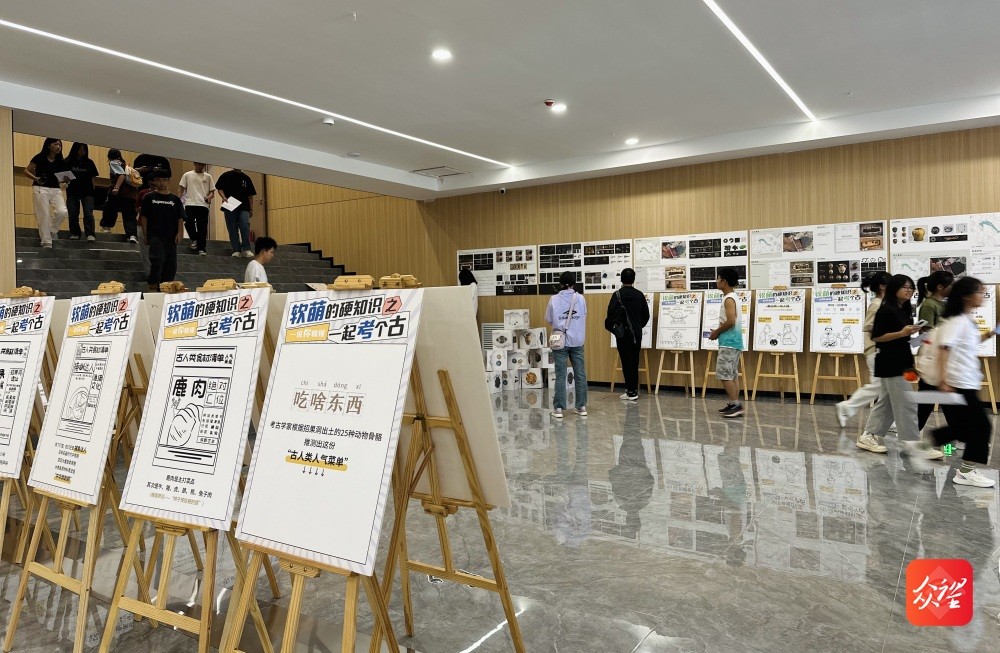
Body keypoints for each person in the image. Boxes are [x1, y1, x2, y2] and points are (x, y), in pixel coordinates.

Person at [929, 276, 996, 487]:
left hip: (967, 381)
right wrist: (943, 381)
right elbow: (943, 349)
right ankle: (966, 472)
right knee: (981, 427)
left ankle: (926, 444)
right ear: (966, 296)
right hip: (957, 383)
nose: (983, 295)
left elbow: (970, 343)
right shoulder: (956, 321)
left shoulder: (966, 320)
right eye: (980, 292)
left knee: (963, 428)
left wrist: (993, 333)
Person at [858, 275, 922, 453]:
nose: (909, 290)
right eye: (905, 287)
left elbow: (904, 338)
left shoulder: (905, 309)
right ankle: (913, 442)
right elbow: (877, 337)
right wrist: (902, 333)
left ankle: (868, 436)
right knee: (906, 402)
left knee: (886, 404)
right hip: (890, 362)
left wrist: (916, 335)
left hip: (903, 360)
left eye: (911, 287)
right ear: (894, 289)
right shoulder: (885, 309)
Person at [836, 271, 892, 426]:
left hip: (880, 351)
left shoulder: (883, 304)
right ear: (882, 286)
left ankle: (887, 421)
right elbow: (868, 326)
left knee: (885, 387)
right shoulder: (877, 305)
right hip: (876, 350)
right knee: (879, 386)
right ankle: (847, 407)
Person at [545, 271, 587, 419]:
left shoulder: (554, 299)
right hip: (577, 341)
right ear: (574, 283)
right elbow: (583, 316)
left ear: (560, 284)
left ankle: (558, 409)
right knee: (580, 374)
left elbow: (549, 319)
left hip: (560, 341)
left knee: (560, 375)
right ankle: (581, 406)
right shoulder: (580, 299)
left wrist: (561, 323)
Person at [915, 270, 953, 432]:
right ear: (940, 287)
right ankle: (911, 435)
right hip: (932, 359)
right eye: (950, 285)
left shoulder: (942, 304)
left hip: (942, 357)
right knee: (926, 401)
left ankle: (958, 433)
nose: (952, 288)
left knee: (943, 401)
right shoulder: (928, 305)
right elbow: (925, 333)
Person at [606, 268, 650, 401]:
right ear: (634, 279)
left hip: (622, 334)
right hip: (636, 334)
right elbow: (646, 315)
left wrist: (616, 328)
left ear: (621, 279)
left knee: (626, 361)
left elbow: (610, 315)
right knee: (635, 361)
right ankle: (633, 390)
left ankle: (630, 391)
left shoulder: (617, 295)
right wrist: (638, 326)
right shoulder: (639, 295)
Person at [139, 170, 185, 291]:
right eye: (159, 180)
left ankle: (165, 287)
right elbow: (144, 217)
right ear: (154, 181)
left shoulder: (175, 199)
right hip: (155, 235)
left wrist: (180, 232)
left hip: (171, 236)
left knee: (171, 265)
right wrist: (145, 234)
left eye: (164, 180)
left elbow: (180, 217)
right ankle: (153, 284)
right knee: (157, 259)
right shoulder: (149, 197)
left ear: (169, 181)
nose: (162, 183)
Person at [708, 267, 744, 418]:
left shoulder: (729, 299)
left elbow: (730, 321)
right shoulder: (732, 297)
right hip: (733, 342)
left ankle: (735, 404)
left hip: (729, 343)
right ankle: (734, 403)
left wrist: (717, 332)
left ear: (724, 282)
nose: (716, 281)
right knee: (732, 374)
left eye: (718, 278)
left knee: (724, 374)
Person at [24, 137, 67, 248]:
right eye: (56, 144)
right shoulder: (39, 157)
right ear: (48, 145)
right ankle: (46, 241)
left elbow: (63, 180)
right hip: (40, 188)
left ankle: (52, 229)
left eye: (60, 145)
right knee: (44, 214)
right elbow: (26, 170)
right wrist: (35, 178)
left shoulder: (61, 161)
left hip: (56, 189)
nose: (58, 147)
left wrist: (66, 181)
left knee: (62, 212)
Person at [215, 168, 257, 257]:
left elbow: (250, 195)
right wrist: (223, 197)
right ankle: (236, 249)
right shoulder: (226, 175)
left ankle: (246, 248)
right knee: (232, 227)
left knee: (245, 225)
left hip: (244, 206)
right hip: (230, 204)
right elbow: (219, 188)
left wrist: (251, 209)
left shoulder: (246, 178)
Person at [100, 149, 139, 242]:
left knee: (109, 208)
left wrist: (116, 187)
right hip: (131, 194)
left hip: (119, 192)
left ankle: (106, 227)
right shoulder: (124, 164)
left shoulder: (113, 162)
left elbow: (121, 175)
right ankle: (132, 235)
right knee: (129, 214)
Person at [64, 142, 99, 242]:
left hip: (88, 191)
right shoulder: (67, 161)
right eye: (80, 150)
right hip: (72, 190)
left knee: (88, 214)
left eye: (84, 150)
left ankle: (90, 234)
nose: (82, 152)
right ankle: (75, 233)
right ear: (75, 149)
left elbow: (93, 178)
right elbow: (62, 176)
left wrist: (93, 191)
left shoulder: (89, 162)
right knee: (73, 213)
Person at [179, 163, 215, 255]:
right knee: (188, 222)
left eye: (203, 165)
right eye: (199, 164)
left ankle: (201, 249)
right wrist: (178, 201)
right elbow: (181, 189)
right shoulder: (187, 175)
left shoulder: (208, 176)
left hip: (203, 204)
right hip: (190, 203)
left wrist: (209, 196)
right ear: (194, 164)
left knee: (202, 226)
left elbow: (212, 192)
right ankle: (195, 238)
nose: (201, 166)